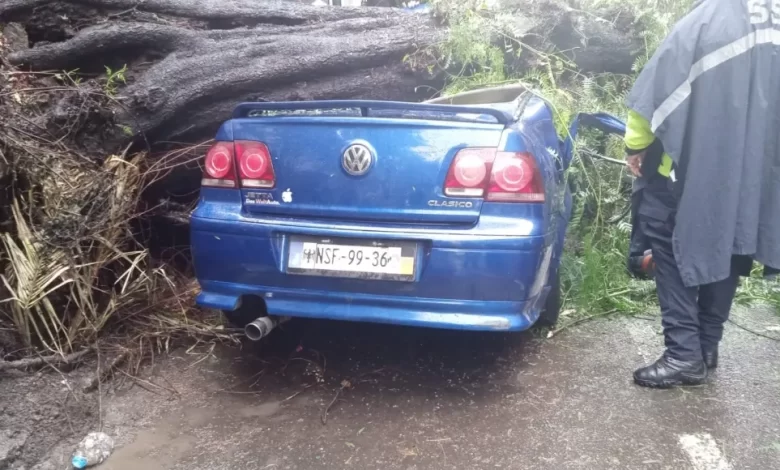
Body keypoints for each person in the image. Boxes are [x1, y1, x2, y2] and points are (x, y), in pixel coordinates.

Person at [623, 0, 780, 388]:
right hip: (760, 171)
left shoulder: (709, 19)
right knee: (730, 242)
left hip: (697, 168)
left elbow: (656, 92)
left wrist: (635, 146)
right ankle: (707, 345)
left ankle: (683, 354)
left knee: (667, 237)